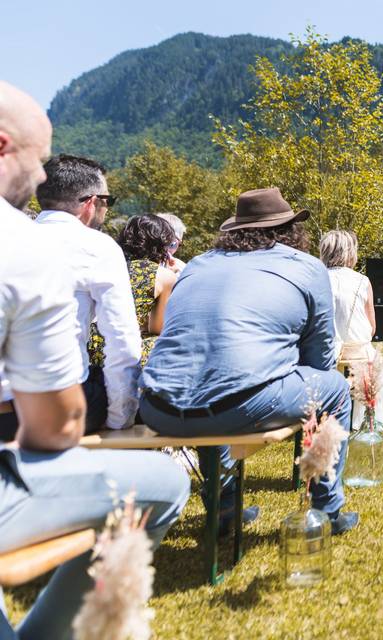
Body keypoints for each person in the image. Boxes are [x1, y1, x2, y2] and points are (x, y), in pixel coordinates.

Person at [0, 79, 188, 639]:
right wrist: (118, 424)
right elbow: (64, 417)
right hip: (33, 417)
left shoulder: (32, 234)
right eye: (35, 164)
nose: (38, 182)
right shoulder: (28, 245)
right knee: (163, 483)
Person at [139, 187, 357, 535]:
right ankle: (326, 509)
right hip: (237, 407)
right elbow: (320, 359)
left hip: (158, 407)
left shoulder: (198, 263)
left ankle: (225, 508)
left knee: (222, 381)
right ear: (289, 230)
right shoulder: (306, 267)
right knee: (335, 391)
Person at [34, 155, 142, 434]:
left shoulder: (11, 239)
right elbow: (122, 342)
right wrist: (120, 420)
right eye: (108, 201)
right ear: (91, 203)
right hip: (55, 409)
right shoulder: (97, 248)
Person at [318, 229, 383, 433]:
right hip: (359, 353)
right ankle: (367, 416)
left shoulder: (316, 278)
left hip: (325, 353)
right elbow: (372, 328)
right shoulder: (362, 281)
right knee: (368, 351)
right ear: (350, 253)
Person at [88, 214, 179, 367]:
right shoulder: (164, 276)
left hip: (94, 344)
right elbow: (157, 327)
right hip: (127, 349)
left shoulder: (107, 265)